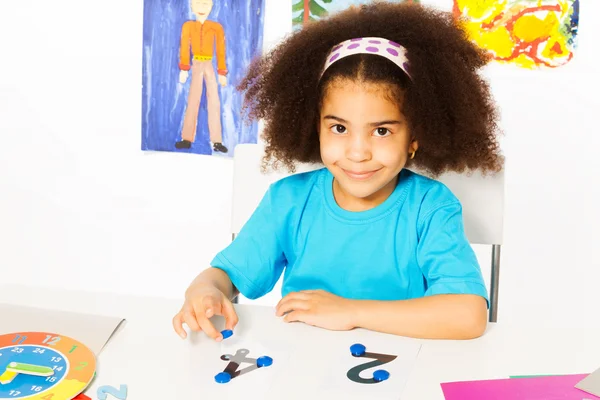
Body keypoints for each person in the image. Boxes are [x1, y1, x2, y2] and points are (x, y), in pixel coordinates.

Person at [173, 2, 503, 341]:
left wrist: (351, 312)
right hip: (302, 364)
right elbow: (224, 276)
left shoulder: (429, 206)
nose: (357, 153)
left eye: (382, 130)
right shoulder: (289, 200)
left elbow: (468, 315)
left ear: (414, 138)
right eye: (340, 129)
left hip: (401, 368)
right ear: (316, 128)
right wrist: (205, 289)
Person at [176, 0, 229, 153]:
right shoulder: (188, 26)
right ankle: (186, 138)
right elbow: (185, 46)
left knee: (214, 101)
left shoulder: (216, 27)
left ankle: (217, 141)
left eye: (206, 4)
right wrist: (184, 69)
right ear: (191, 6)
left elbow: (220, 49)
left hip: (210, 65)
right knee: (193, 99)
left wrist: (222, 72)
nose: (202, 8)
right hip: (196, 64)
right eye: (198, 3)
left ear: (211, 6)